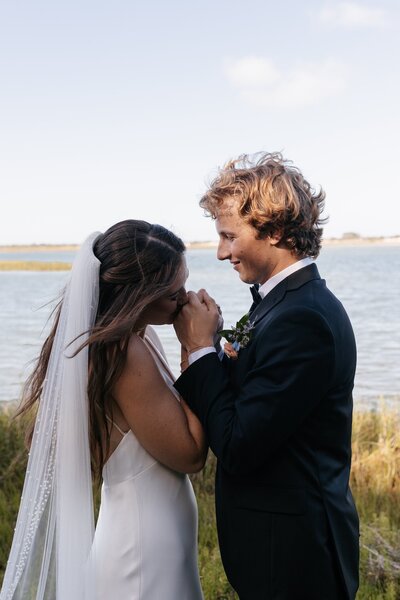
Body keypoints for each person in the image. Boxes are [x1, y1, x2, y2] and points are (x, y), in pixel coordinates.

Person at [173, 152, 360, 600]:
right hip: (278, 551)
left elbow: (238, 446)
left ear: (273, 230)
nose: (221, 253)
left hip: (297, 559)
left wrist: (201, 351)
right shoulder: (281, 304)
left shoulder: (304, 319)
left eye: (229, 236)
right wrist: (214, 347)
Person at [0, 220, 206, 600]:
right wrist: (198, 349)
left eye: (185, 285)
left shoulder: (142, 338)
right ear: (139, 295)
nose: (185, 299)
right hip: (143, 546)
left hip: (155, 534)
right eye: (174, 294)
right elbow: (189, 453)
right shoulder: (125, 353)